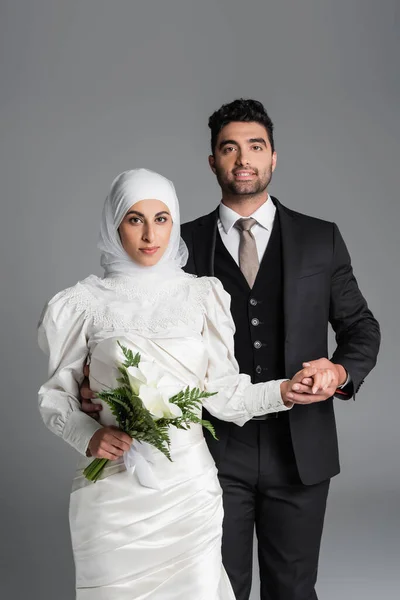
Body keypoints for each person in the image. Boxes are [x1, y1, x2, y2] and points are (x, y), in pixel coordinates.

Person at [79, 99, 381, 600]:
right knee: (217, 589)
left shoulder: (319, 239)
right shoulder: (178, 245)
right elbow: (127, 320)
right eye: (230, 148)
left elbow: (361, 327)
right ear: (213, 161)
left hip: (301, 449)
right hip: (208, 450)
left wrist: (339, 372)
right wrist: (100, 385)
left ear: (273, 157)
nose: (243, 158)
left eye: (255, 146)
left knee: (294, 590)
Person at [37, 168, 329, 600]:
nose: (149, 233)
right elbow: (56, 397)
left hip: (188, 487)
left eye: (161, 218)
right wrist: (90, 434)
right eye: (134, 219)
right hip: (112, 493)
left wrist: (282, 391)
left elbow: (225, 393)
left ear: (174, 222)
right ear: (114, 224)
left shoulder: (202, 295)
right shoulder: (82, 304)